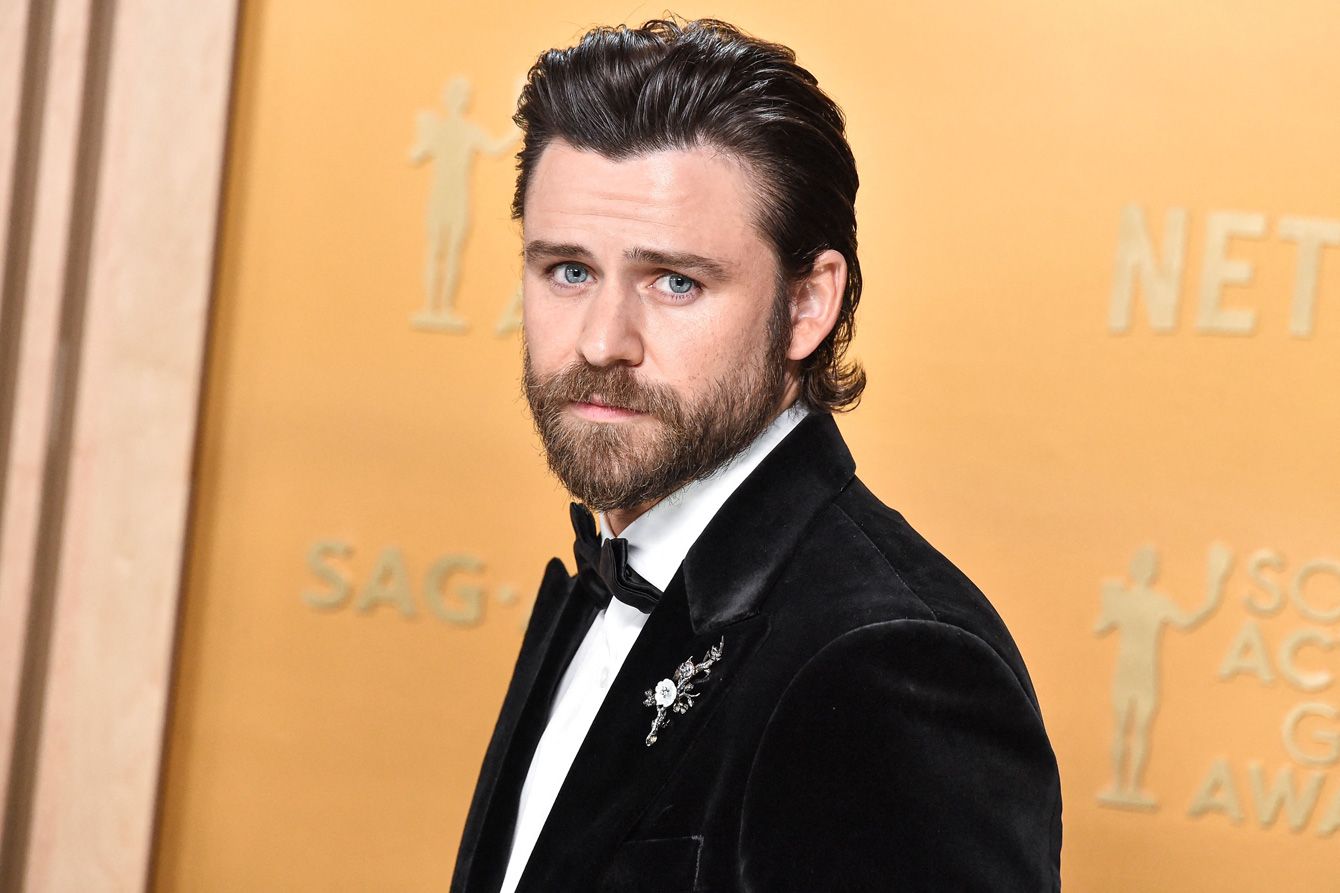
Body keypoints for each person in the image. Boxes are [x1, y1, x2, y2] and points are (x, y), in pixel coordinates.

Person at [452, 18, 1061, 892]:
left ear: (808, 305)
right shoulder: (611, 569)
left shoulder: (891, 667)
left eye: (676, 282)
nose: (602, 341)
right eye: (570, 271)